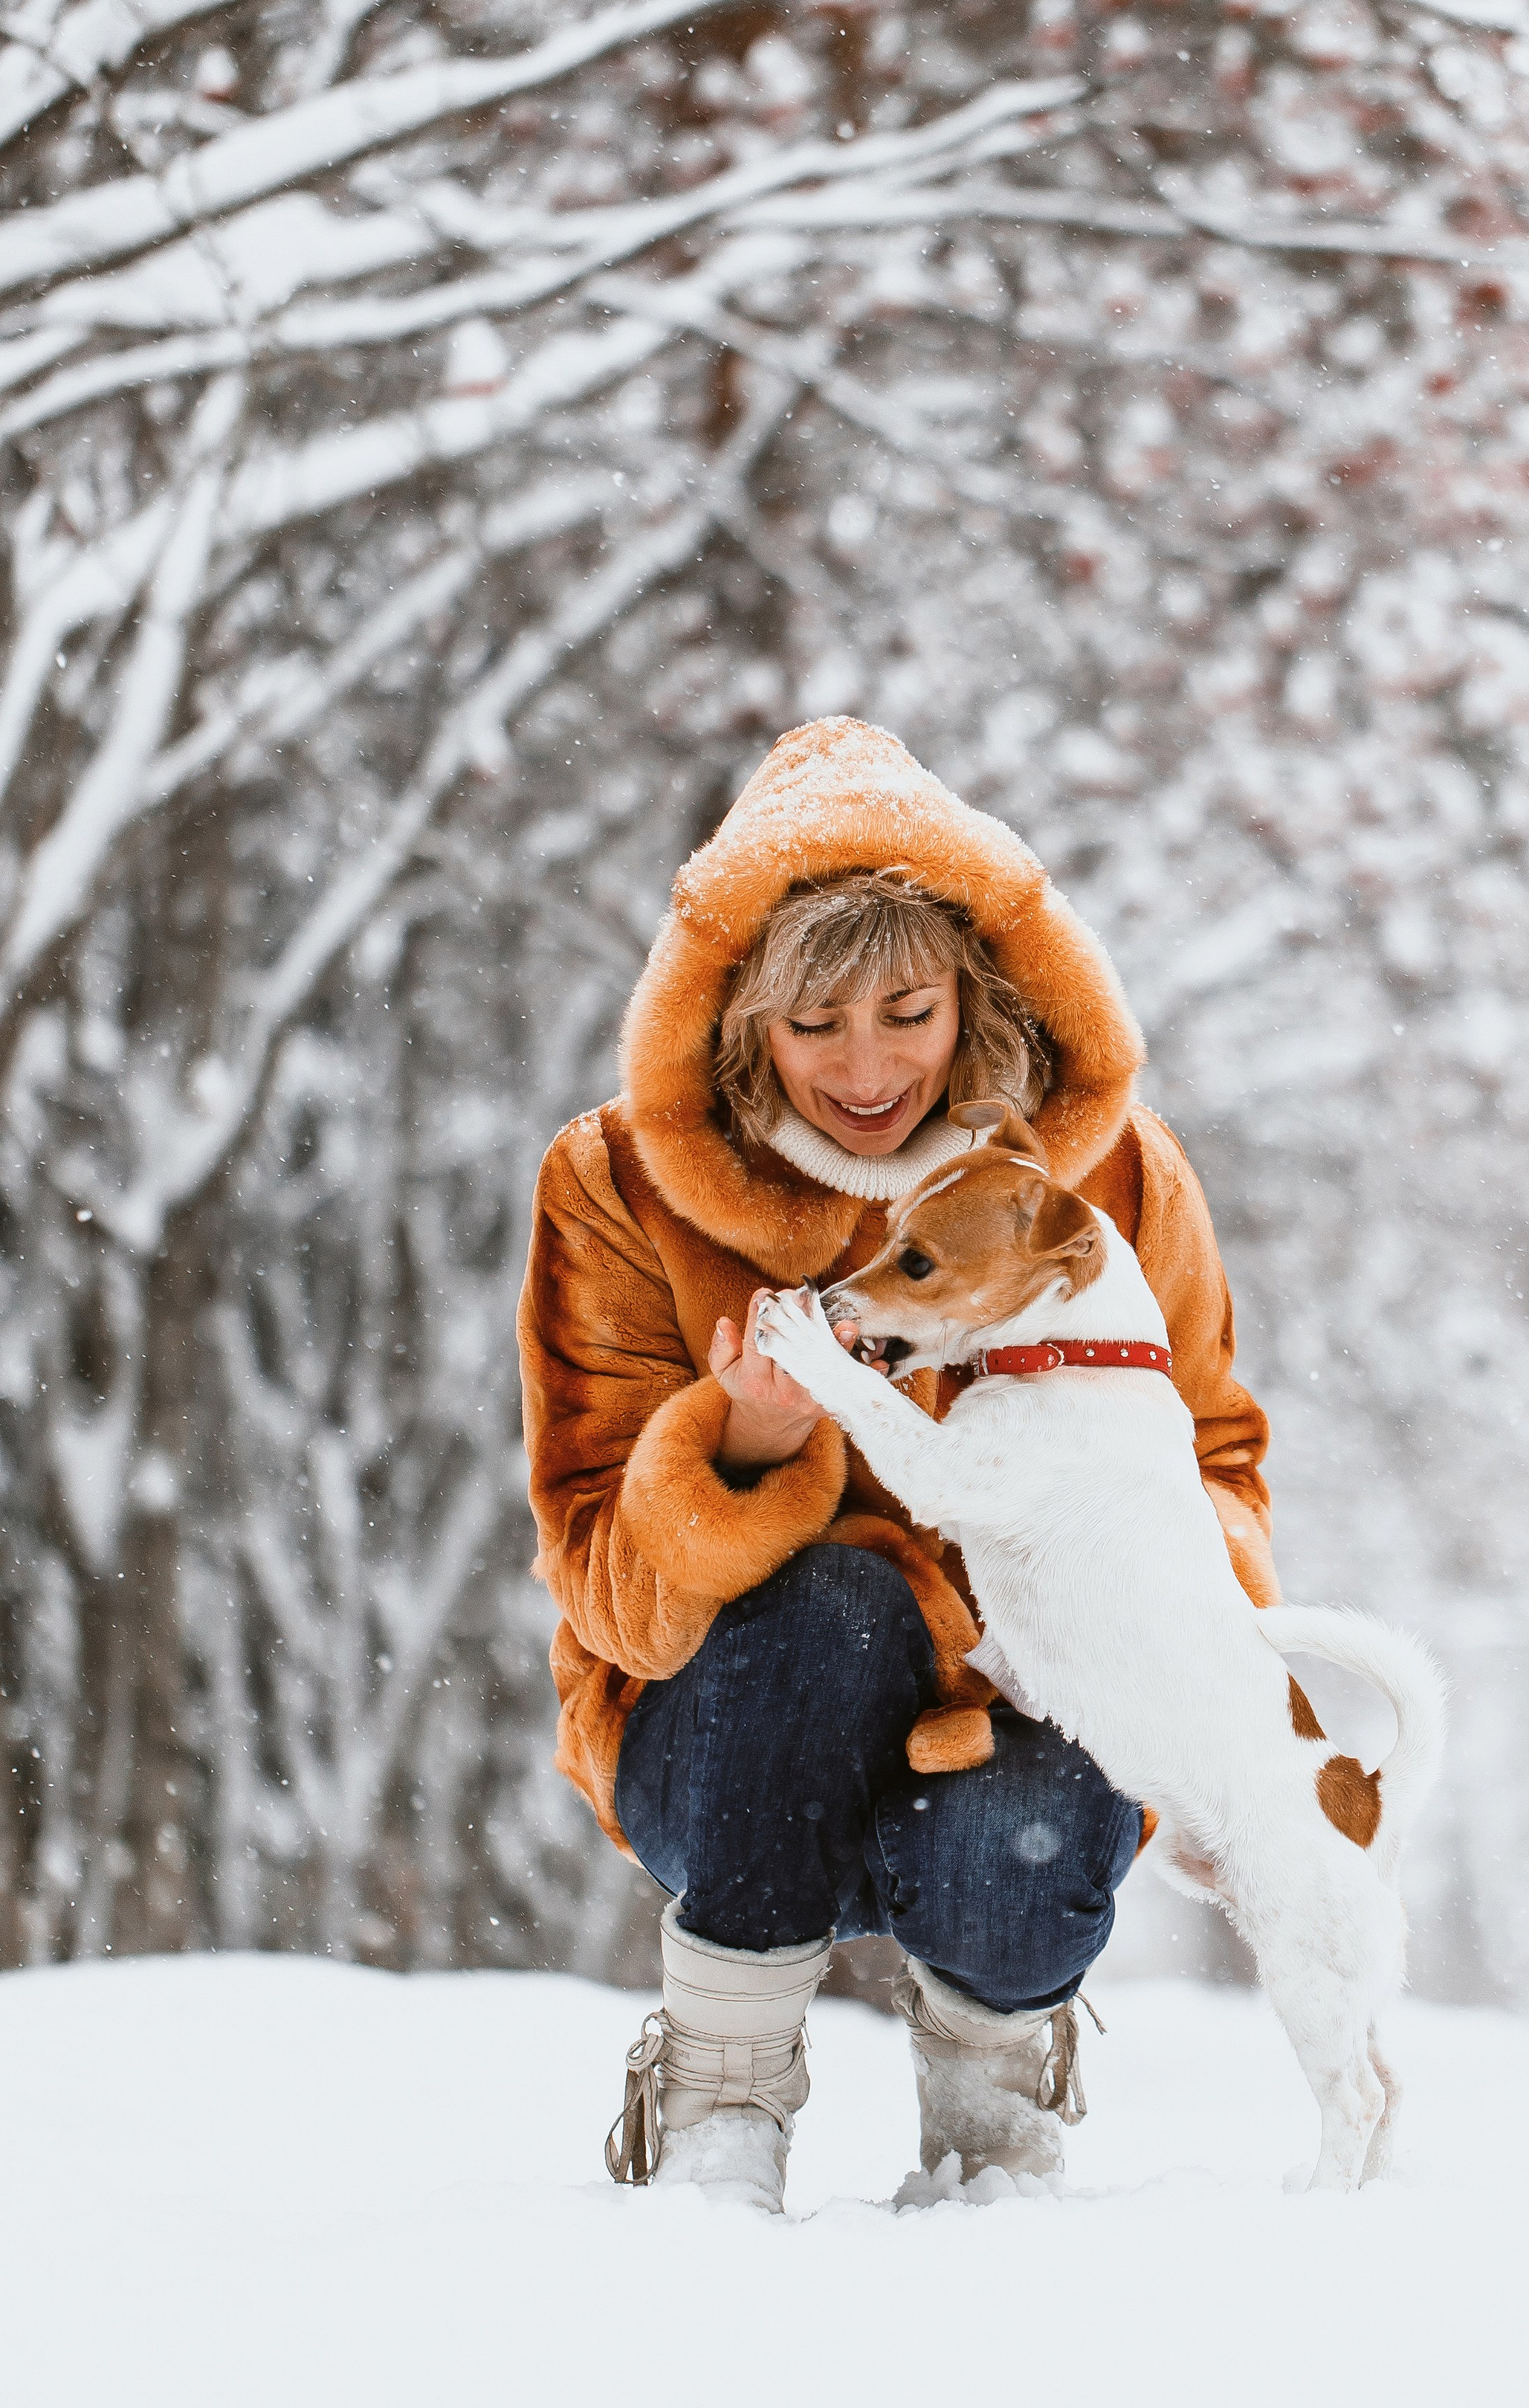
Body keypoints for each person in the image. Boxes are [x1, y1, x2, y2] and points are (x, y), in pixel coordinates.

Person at [517, 717, 1278, 2207]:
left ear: (970, 996)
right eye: (812, 1027)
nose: (864, 1068)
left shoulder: (1111, 1177)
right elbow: (602, 1585)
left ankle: (996, 2098)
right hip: (724, 1740)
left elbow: (1222, 1471)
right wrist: (742, 1446)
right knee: (836, 1612)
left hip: (1018, 1724)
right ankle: (721, 2095)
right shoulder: (613, 1187)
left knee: (1025, 1815)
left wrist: (1102, 1596)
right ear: (740, 1024)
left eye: (905, 1010)